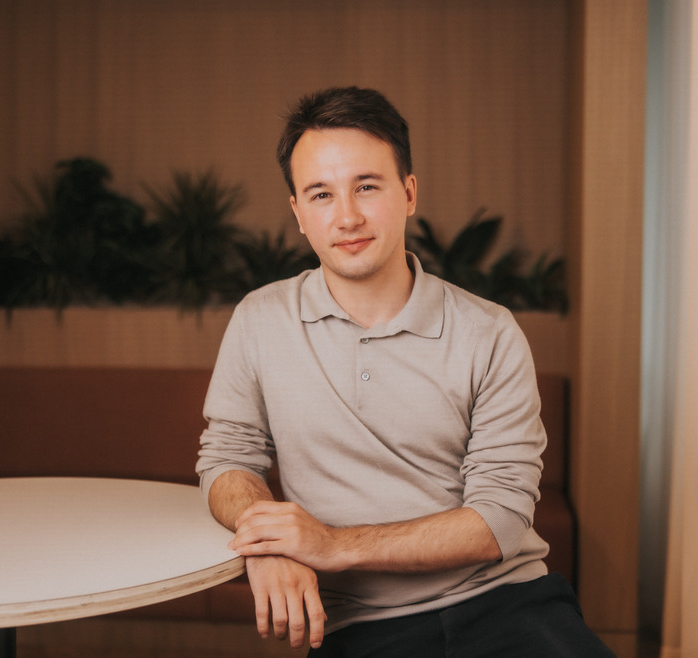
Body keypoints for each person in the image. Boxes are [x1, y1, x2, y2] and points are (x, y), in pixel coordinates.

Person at [196, 86, 613, 657]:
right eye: (320, 194)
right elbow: (227, 458)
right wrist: (268, 543)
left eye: (367, 186)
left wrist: (330, 545)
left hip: (506, 601)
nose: (346, 217)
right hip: (359, 624)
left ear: (409, 192)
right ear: (297, 212)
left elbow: (498, 519)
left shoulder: (489, 332)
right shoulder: (260, 320)